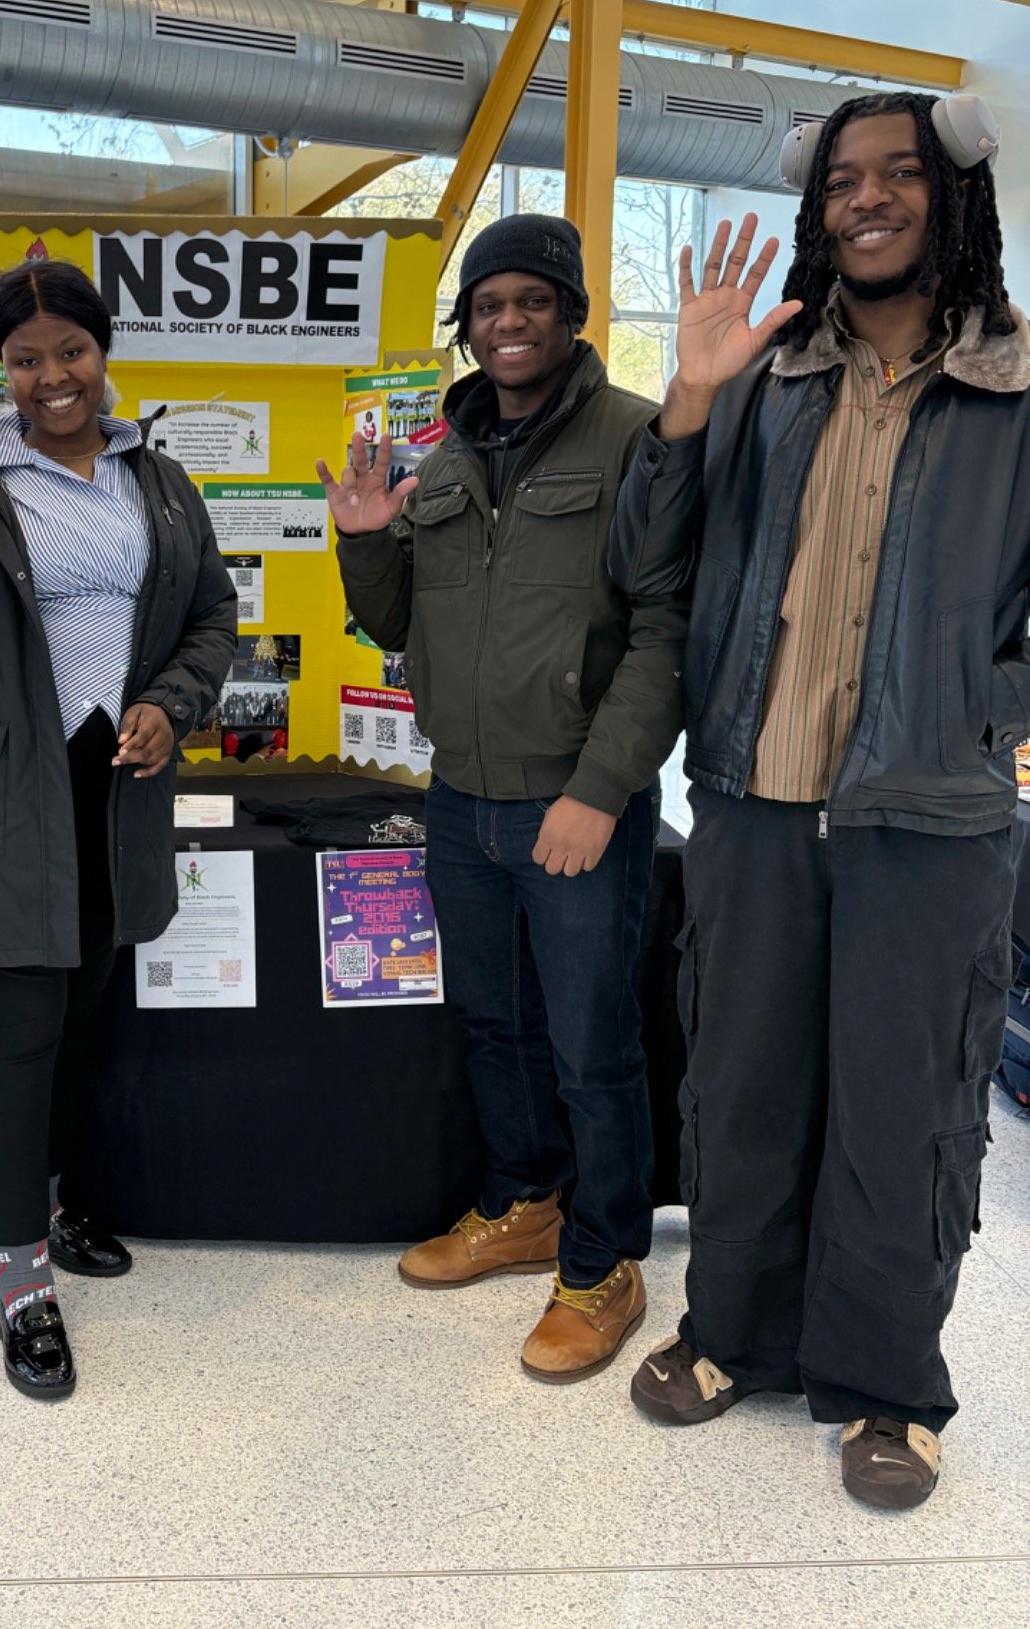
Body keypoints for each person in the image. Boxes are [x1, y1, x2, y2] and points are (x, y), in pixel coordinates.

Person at [610, 91, 1029, 1508]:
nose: (867, 199)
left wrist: (985, 712)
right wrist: (691, 394)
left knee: (902, 1105)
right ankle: (734, 1334)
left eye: (898, 174)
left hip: (933, 818)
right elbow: (645, 562)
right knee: (743, 1085)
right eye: (844, 180)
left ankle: (885, 1383)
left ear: (950, 197)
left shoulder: (1017, 389)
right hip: (755, 796)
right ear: (815, 209)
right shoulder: (768, 377)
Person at [318, 215, 687, 1383]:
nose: (509, 322)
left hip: (574, 804)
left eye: (533, 300)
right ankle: (525, 1204)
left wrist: (602, 789)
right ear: (467, 327)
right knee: (491, 1022)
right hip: (461, 800)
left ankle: (605, 1262)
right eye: (489, 305)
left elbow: (666, 632)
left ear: (572, 314)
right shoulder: (444, 456)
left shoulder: (635, 438)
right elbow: (394, 623)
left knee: (593, 1044)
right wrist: (366, 541)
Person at [0, 257, 235, 1401]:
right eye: (25, 357)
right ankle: (21, 1276)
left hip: (115, 780)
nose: (51, 377)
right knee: (21, 1024)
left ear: (104, 352)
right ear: (3, 365)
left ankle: (55, 1192)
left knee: (86, 1002)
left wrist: (169, 706)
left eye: (71, 350)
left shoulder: (159, 475)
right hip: (4, 790)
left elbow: (209, 615)